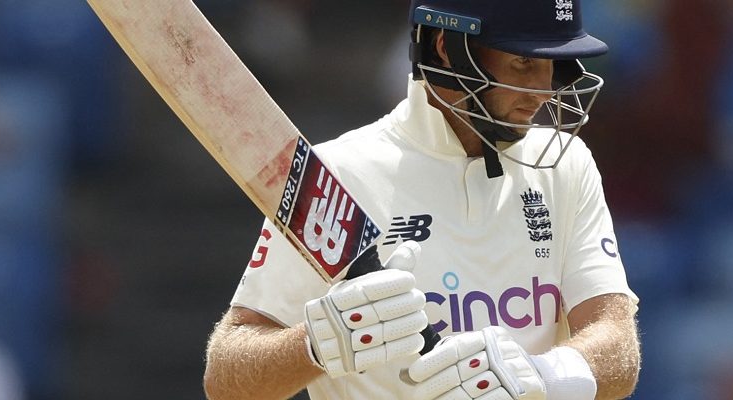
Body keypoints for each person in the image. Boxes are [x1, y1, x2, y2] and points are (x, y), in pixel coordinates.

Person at [203, 0, 641, 399]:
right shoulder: (337, 174)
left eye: (551, 64)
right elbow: (225, 378)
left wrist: (542, 376)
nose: (543, 90)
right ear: (447, 47)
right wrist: (315, 346)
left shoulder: (567, 166)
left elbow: (617, 343)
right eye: (523, 61)